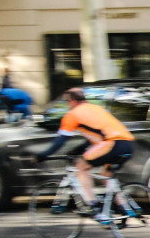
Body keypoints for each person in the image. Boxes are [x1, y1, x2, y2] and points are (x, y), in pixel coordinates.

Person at [34, 88, 134, 219]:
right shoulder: (96, 108)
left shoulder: (73, 114)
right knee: (106, 174)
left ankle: (91, 205)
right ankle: (124, 208)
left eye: (67, 101)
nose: (68, 104)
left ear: (72, 101)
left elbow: (60, 140)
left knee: (81, 167)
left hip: (110, 144)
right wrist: (79, 149)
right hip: (126, 144)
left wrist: (43, 155)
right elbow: (95, 134)